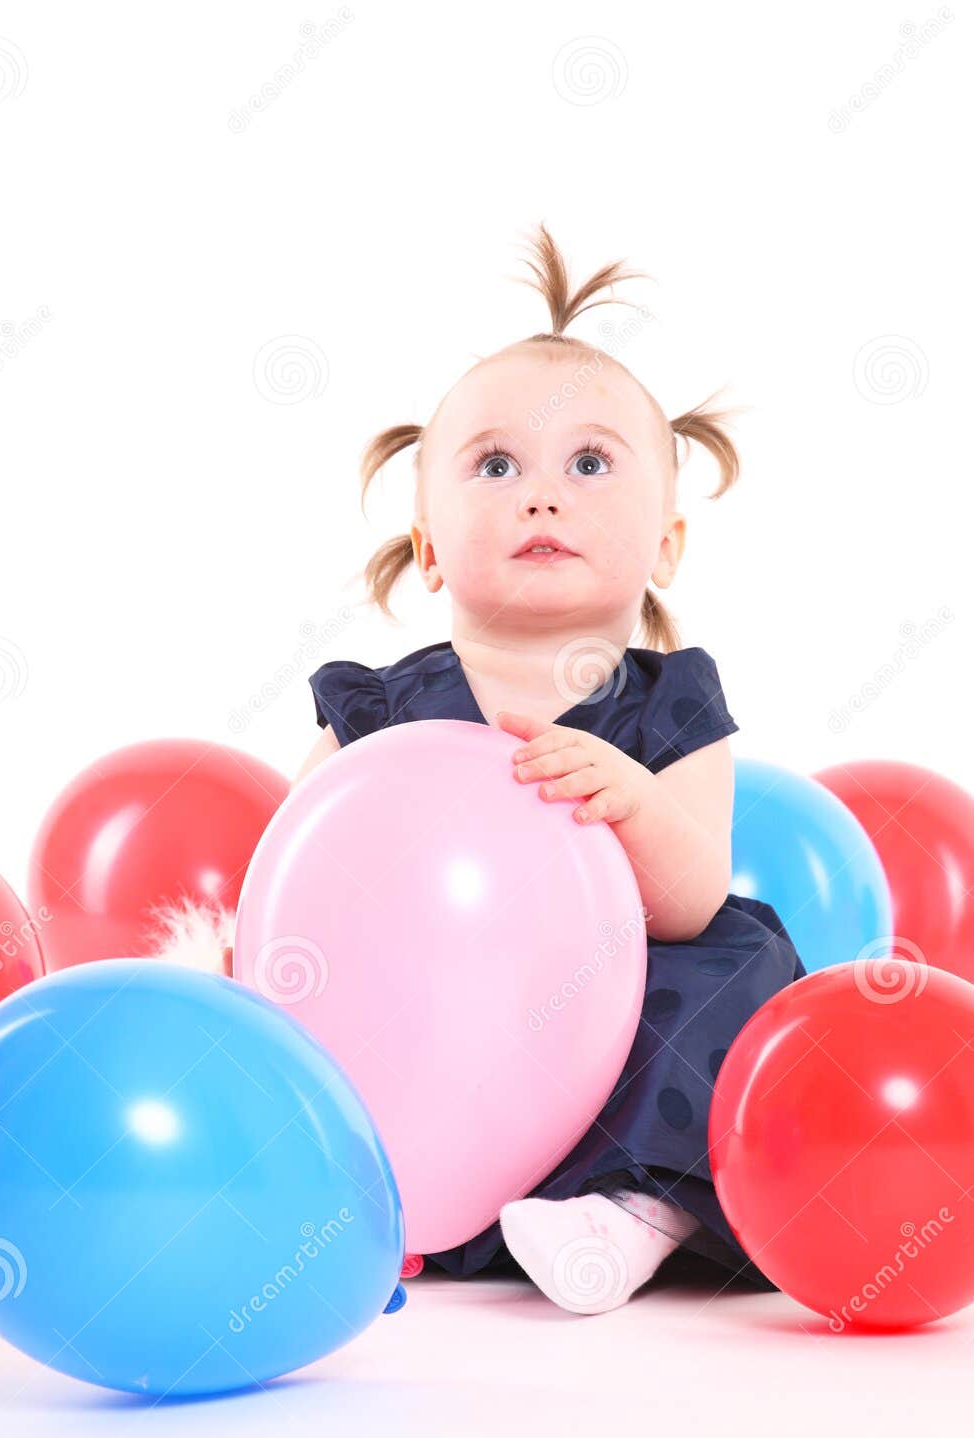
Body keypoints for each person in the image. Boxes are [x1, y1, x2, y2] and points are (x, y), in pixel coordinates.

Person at [256, 223, 805, 1315]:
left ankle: (633, 1210)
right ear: (425, 547)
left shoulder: (669, 704)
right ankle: (254, 1185)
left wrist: (634, 806)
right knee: (265, 1013)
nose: (540, 494)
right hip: (430, 1032)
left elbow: (690, 899)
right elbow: (289, 896)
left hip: (603, 1039)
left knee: (740, 970)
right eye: (495, 465)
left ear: (663, 546)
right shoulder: (375, 711)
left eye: (589, 464)